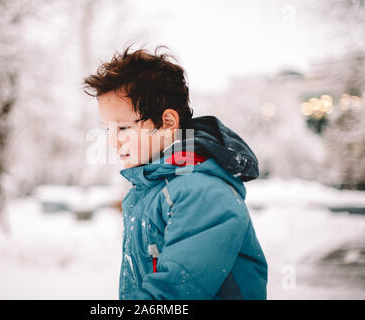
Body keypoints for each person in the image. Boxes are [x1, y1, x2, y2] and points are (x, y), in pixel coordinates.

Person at [83, 45, 267, 300]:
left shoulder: (201, 191)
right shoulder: (150, 189)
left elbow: (173, 293)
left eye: (123, 128)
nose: (113, 142)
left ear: (167, 123)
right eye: (108, 130)